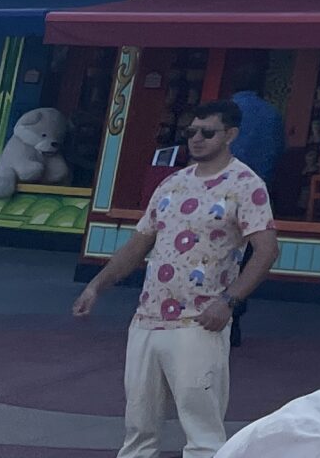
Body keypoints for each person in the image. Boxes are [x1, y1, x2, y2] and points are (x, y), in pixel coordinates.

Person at [73, 98, 280, 458]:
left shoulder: (246, 184)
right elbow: (139, 244)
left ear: (230, 135)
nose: (196, 139)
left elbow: (267, 249)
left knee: (202, 433)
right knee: (138, 427)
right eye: (191, 132)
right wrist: (97, 285)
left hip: (198, 323)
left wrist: (229, 301)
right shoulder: (171, 184)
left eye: (207, 132)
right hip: (148, 318)